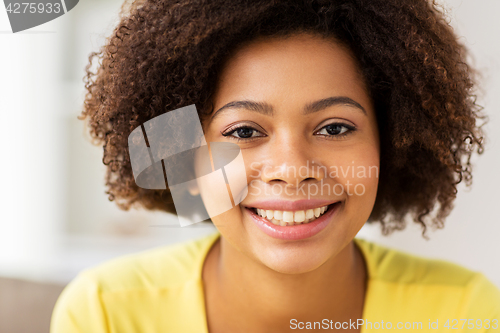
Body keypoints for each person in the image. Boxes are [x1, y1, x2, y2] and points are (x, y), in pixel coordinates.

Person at [51, 0, 500, 332]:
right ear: (186, 157)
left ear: (393, 143)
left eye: (335, 128)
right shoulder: (105, 313)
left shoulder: (464, 313)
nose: (291, 168)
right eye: (244, 132)